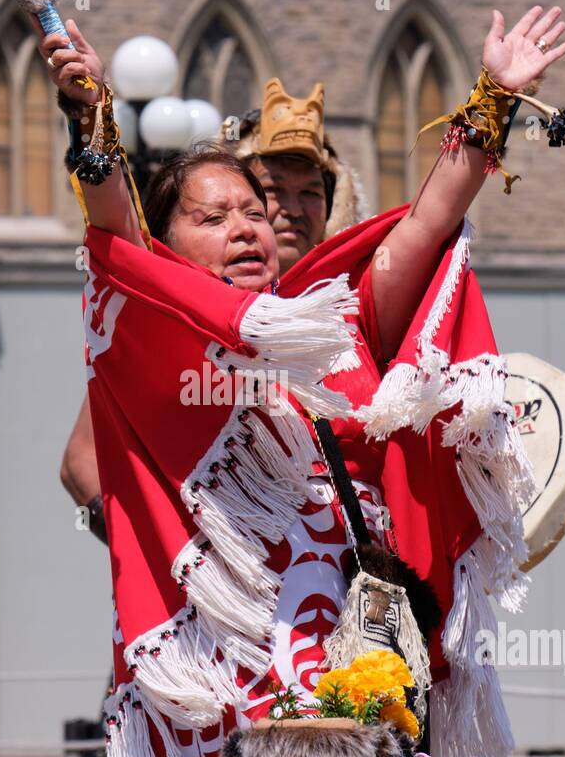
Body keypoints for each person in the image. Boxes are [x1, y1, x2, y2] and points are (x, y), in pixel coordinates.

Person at [43, 8, 565, 757]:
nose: (247, 227)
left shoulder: (337, 321)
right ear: (168, 244)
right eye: (212, 217)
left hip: (354, 643)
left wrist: (493, 98)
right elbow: (114, 226)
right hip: (218, 664)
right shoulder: (153, 332)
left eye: (255, 212)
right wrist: (92, 113)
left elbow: (427, 224)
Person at [60, 74, 365, 534]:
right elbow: (81, 461)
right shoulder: (176, 318)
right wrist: (171, 549)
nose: (293, 209)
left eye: (310, 192)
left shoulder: (349, 315)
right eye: (273, 190)